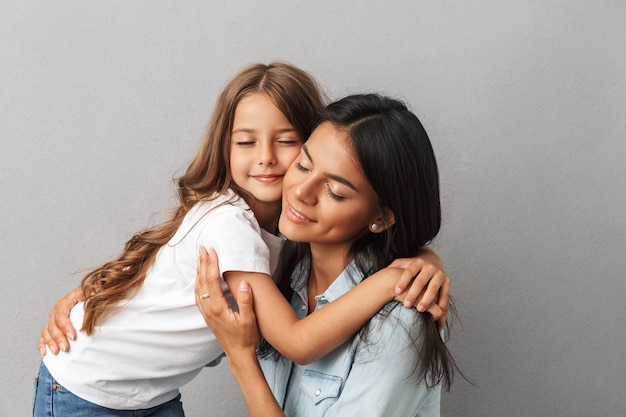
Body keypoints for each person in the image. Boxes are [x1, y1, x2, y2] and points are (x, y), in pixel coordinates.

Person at [33, 64, 450, 416]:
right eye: (304, 165)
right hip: (87, 386)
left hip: (150, 395)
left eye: (286, 142)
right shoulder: (232, 224)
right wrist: (391, 279)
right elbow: (297, 342)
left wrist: (423, 259)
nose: (267, 158)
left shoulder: (292, 243)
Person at [195, 93, 457, 417]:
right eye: (303, 165)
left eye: (335, 191)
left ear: (382, 217)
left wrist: (241, 358)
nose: (301, 192)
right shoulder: (280, 269)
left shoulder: (400, 325)